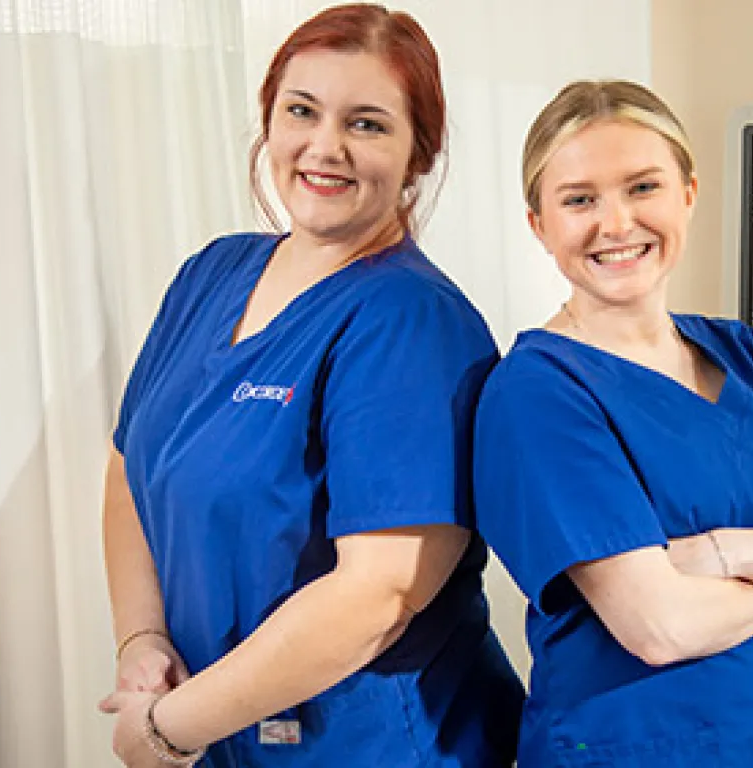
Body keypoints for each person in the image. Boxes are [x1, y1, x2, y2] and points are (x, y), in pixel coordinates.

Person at [98, 5, 523, 766]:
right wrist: (143, 636)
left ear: (419, 154)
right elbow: (131, 465)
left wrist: (169, 728)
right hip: (218, 729)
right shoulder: (212, 274)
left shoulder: (414, 324)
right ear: (270, 119)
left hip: (370, 745)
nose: (325, 148)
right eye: (302, 111)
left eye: (367, 124)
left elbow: (376, 599)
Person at [473, 79, 753, 767]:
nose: (615, 224)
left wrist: (724, 552)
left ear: (688, 194)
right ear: (539, 225)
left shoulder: (751, 357)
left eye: (643, 187)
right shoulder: (540, 392)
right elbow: (661, 626)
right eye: (580, 199)